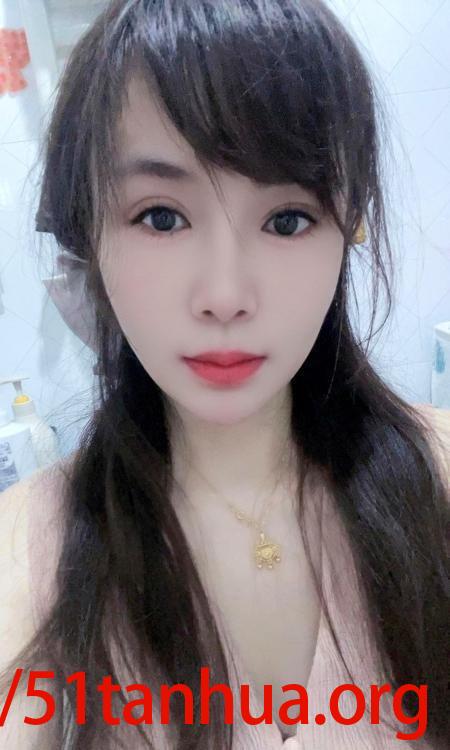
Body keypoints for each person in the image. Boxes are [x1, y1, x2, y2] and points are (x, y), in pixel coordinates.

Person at [0, 1, 449, 748]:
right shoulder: (26, 555)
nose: (225, 296)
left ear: (350, 228)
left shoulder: (438, 478)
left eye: (287, 219)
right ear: (90, 235)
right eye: (161, 216)